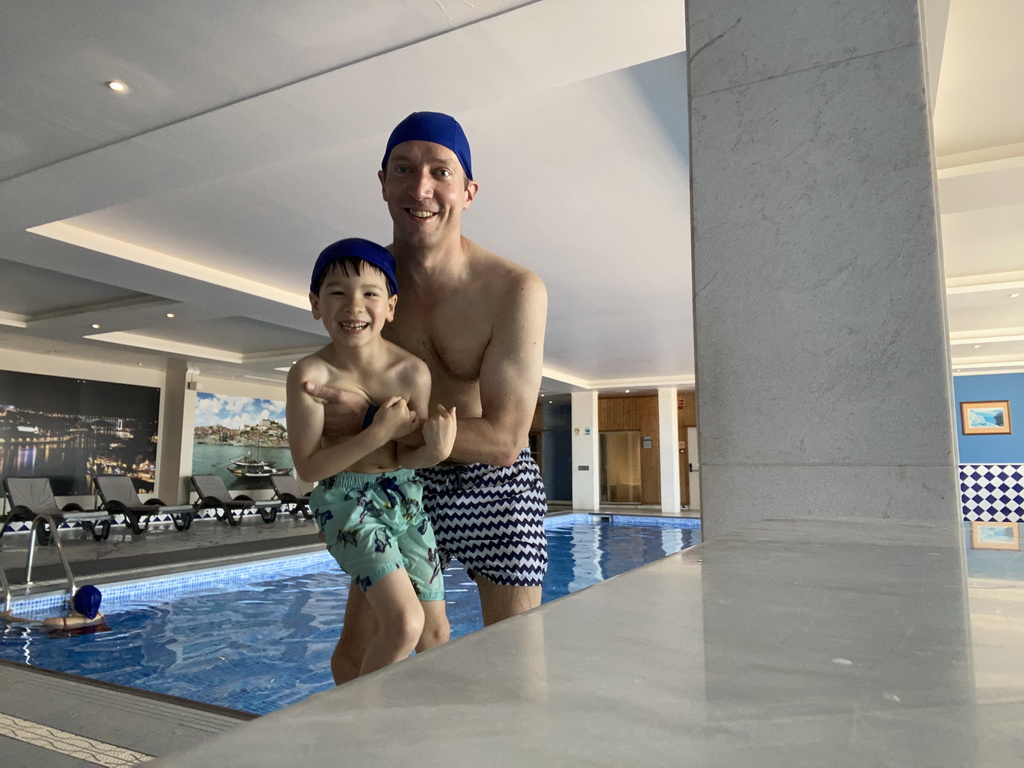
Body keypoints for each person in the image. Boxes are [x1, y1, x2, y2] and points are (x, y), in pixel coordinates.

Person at [307, 112, 549, 684]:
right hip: (397, 479)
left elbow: (503, 441)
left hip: (493, 488)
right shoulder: (368, 293)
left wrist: (372, 420)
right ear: (384, 182)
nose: (421, 188)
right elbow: (330, 403)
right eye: (404, 170)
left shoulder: (513, 290)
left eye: (440, 172)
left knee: (516, 666)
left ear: (468, 190)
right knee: (355, 661)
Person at [287, 237, 457, 676]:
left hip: (405, 496)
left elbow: (406, 454)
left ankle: (416, 721)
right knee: (404, 624)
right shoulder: (310, 374)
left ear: (391, 306)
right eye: (337, 293)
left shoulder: (411, 371)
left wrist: (436, 450)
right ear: (315, 304)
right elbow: (308, 468)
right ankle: (362, 730)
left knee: (435, 633)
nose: (353, 306)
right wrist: (376, 430)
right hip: (347, 502)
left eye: (370, 293)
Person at [1, 584, 105, 629]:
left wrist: (9, 617)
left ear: (74, 600)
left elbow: (29, 623)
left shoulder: (57, 622)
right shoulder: (100, 616)